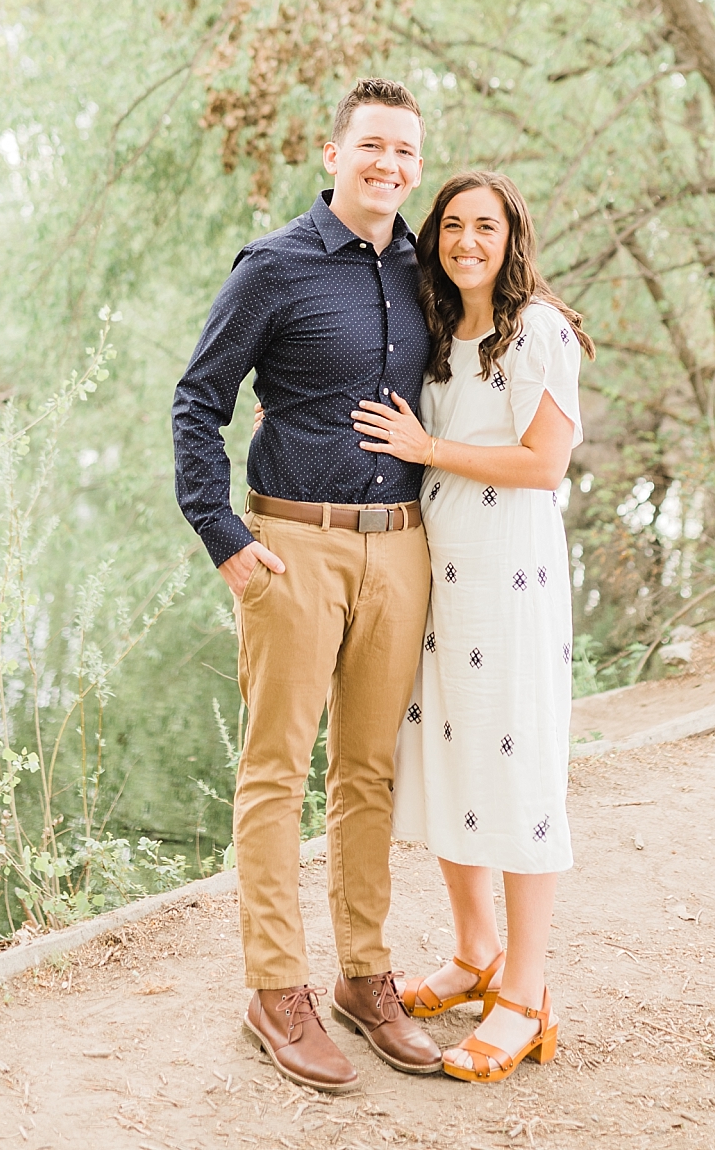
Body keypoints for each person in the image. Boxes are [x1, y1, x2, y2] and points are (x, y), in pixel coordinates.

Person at [171, 77, 443, 1093]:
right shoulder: (274, 268)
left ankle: (363, 977)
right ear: (334, 155)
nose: (389, 165)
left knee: (369, 774)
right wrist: (223, 535)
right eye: (372, 146)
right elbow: (198, 402)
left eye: (406, 151)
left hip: (402, 545)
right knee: (276, 773)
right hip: (292, 547)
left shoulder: (426, 272)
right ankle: (274, 988)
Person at [352, 171, 594, 1085]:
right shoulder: (436, 331)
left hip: (513, 581)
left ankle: (526, 998)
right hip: (439, 580)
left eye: (483, 226)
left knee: (521, 770)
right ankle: (474, 953)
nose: (465, 240)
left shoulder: (539, 330)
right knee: (448, 760)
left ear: (511, 236)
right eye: (451, 225)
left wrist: (429, 451)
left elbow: (543, 464)